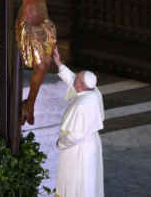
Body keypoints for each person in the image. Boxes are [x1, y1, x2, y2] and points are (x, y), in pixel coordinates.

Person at [52, 47, 105, 197]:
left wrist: (60, 143)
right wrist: (58, 63)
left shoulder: (82, 105)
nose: (74, 78)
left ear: (80, 85)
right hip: (90, 143)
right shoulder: (93, 91)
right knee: (88, 184)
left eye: (77, 78)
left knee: (77, 185)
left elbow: (75, 135)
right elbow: (73, 79)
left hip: (78, 150)